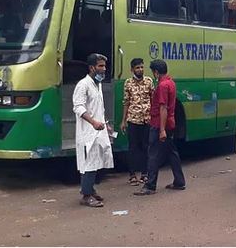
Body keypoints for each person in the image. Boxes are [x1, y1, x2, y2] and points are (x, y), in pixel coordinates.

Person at [134, 59, 186, 195]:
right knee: (171, 152)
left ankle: (150, 185)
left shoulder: (162, 86)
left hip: (159, 124)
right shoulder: (171, 83)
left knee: (153, 154)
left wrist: (161, 129)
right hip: (170, 123)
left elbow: (163, 108)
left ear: (156, 72)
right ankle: (179, 181)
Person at [72, 53, 114, 207]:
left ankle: (90, 189)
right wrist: (93, 122)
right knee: (89, 162)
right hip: (88, 131)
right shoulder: (83, 85)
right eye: (100, 66)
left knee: (98, 160)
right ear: (91, 68)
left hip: (99, 129)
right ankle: (86, 195)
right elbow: (78, 107)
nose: (103, 69)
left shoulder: (98, 84)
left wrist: (105, 123)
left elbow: (99, 108)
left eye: (104, 66)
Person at [120, 58, 154, 186]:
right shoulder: (128, 83)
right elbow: (126, 102)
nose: (140, 69)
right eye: (137, 68)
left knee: (146, 147)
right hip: (133, 120)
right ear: (132, 69)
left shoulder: (149, 81)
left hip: (146, 119)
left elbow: (153, 98)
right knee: (133, 148)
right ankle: (132, 175)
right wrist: (123, 121)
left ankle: (144, 174)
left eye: (141, 67)